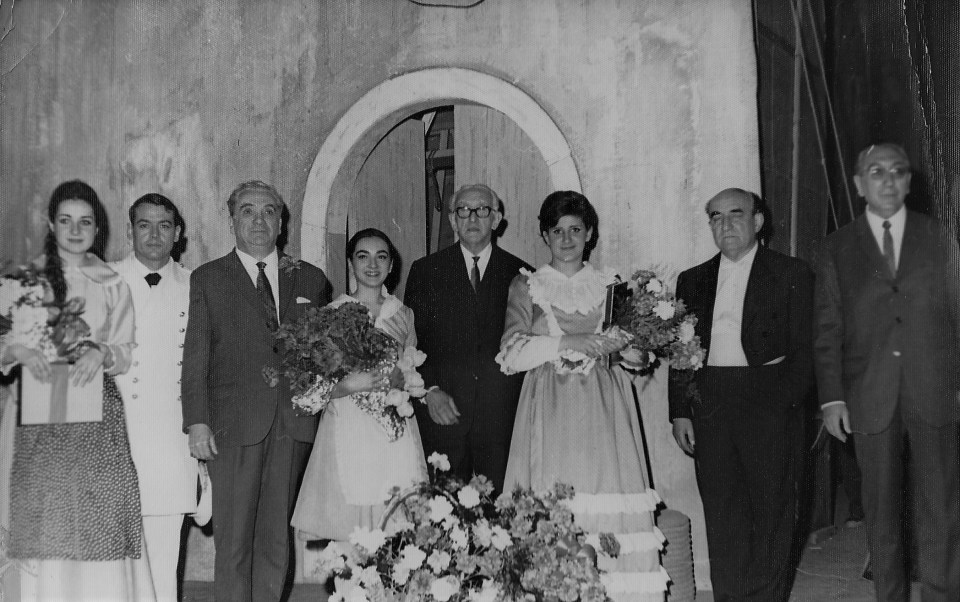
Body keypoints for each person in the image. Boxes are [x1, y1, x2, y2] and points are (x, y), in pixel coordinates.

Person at [498, 191, 668, 602]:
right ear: (544, 235)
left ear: (589, 234)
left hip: (604, 409)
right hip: (550, 408)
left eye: (576, 229)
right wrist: (571, 342)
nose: (567, 239)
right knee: (553, 497)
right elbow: (511, 353)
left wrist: (632, 352)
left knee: (604, 489)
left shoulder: (611, 285)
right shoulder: (527, 285)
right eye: (557, 231)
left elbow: (636, 356)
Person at [814, 143, 960, 602]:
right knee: (881, 512)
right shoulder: (837, 247)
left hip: (935, 391)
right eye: (876, 172)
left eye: (898, 171)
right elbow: (827, 328)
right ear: (859, 185)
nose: (889, 180)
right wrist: (832, 397)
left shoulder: (939, 237)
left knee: (942, 509)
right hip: (869, 396)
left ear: (909, 182)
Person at [0, 180, 154, 600]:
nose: (74, 229)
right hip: (35, 420)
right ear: (51, 224)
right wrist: (17, 350)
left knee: (97, 516)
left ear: (97, 228)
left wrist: (101, 352)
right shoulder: (21, 281)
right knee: (44, 518)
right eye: (65, 220)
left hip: (94, 418)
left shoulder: (111, 283)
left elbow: (124, 351)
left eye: (85, 222)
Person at [181, 180, 330, 602]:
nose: (258, 220)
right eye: (247, 211)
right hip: (233, 426)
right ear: (232, 220)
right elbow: (195, 355)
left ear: (281, 222)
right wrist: (197, 422)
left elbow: (323, 357)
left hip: (291, 427)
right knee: (233, 543)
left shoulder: (309, 278)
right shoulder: (209, 278)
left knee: (275, 542)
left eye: (268, 211)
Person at [669, 188, 812, 601]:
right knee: (722, 512)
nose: (725, 224)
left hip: (767, 397)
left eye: (735, 214)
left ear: (758, 221)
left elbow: (807, 350)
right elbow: (680, 351)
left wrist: (782, 402)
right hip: (710, 401)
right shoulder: (691, 279)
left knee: (772, 511)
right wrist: (680, 411)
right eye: (716, 216)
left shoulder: (790, 272)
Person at [292, 228, 428, 539]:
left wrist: (405, 381)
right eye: (363, 256)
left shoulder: (403, 314)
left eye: (381, 257)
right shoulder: (331, 314)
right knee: (352, 525)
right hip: (347, 424)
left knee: (395, 520)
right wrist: (351, 385)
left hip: (392, 427)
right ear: (351, 263)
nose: (372, 265)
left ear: (391, 265)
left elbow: (410, 370)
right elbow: (309, 389)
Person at [404, 184, 530, 493]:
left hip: (501, 419)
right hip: (443, 414)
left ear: (496, 219)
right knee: (444, 509)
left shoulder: (523, 274)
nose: (472, 218)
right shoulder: (426, 271)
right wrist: (429, 391)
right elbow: (412, 343)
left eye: (482, 210)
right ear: (452, 220)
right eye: (463, 210)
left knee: (502, 510)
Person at [110, 193, 197, 601]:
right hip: (117, 438)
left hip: (171, 441)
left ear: (177, 233)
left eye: (164, 226)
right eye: (144, 225)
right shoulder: (105, 280)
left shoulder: (197, 285)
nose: (154, 235)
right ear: (130, 232)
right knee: (115, 558)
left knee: (164, 554)